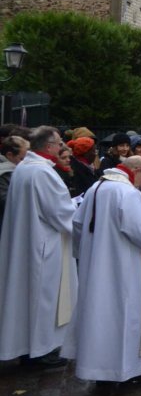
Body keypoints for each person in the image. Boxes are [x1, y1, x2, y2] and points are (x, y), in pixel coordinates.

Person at [63, 155, 141, 391]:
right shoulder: (128, 193)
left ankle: (100, 371)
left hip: (97, 265)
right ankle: (126, 370)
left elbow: (78, 223)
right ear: (135, 170)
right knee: (126, 315)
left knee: (100, 316)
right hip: (124, 266)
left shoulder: (96, 187)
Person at [0, 126, 77, 367]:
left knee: (29, 296)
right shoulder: (42, 173)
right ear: (49, 146)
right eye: (59, 142)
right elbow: (60, 212)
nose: (62, 146)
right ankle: (40, 350)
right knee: (44, 298)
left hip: (28, 241)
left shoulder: (24, 167)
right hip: (44, 244)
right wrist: (81, 212)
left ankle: (28, 347)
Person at [0, 135, 30, 238]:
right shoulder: (4, 174)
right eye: (22, 158)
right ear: (10, 155)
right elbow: (6, 201)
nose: (25, 162)